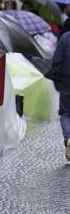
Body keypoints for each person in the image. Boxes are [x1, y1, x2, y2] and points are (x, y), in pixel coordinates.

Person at [48, 30, 70, 160]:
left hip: (67, 82)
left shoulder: (65, 38)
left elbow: (57, 61)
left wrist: (58, 80)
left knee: (66, 113)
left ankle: (68, 137)